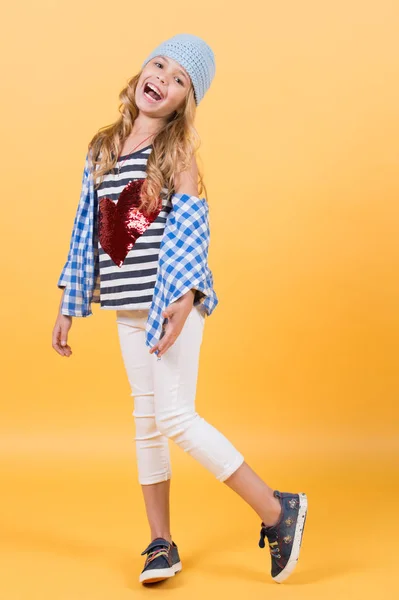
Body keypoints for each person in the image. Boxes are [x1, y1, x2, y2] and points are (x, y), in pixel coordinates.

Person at [52, 33, 308, 585]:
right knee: (146, 423)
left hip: (171, 305)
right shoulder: (102, 150)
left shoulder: (176, 154)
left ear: (183, 103)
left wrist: (184, 297)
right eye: (159, 65)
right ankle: (160, 543)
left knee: (174, 416)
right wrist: (69, 304)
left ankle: (277, 509)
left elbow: (191, 230)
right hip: (127, 308)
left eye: (179, 80)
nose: (163, 79)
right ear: (141, 71)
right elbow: (84, 231)